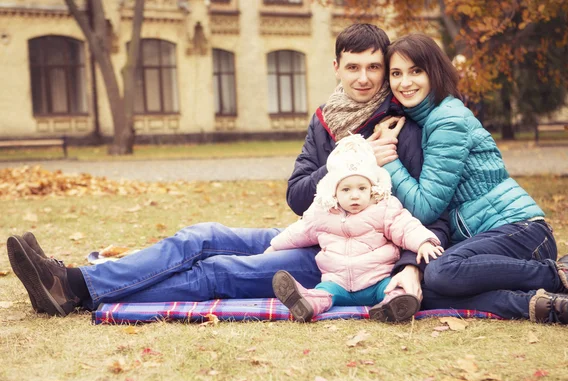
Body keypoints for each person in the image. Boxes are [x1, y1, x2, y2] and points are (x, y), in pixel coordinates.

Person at [5, 24, 449, 318]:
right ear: (336, 68)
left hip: (343, 261)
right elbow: (297, 196)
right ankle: (72, 281)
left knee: (216, 273)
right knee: (199, 236)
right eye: (353, 66)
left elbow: (427, 210)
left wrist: (410, 267)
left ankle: (72, 288)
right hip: (310, 229)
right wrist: (344, 162)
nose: (365, 78)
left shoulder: (400, 126)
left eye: (375, 67)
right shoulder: (327, 118)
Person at [370, 32, 568, 330]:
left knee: (440, 273)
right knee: (429, 291)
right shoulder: (425, 119)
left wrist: (388, 160)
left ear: (434, 72)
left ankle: (561, 275)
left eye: (416, 71)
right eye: (396, 74)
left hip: (521, 232)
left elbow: (425, 207)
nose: (405, 82)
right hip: (488, 239)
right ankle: (554, 306)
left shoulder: (446, 120)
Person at [268, 135, 444, 322]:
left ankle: (392, 306)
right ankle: (305, 304)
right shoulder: (322, 213)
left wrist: (424, 242)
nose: (355, 196)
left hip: (377, 280)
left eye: (362, 188)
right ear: (334, 191)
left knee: (394, 289)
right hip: (336, 282)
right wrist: (275, 246)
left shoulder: (383, 208)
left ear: (372, 188)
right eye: (346, 190)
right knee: (322, 293)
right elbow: (298, 232)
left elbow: (406, 227)